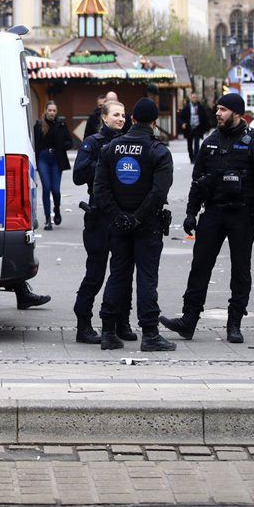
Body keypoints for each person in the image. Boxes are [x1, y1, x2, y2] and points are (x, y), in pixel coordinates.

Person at [160, 92, 254, 344]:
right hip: (213, 212)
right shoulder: (211, 142)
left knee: (240, 270)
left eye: (223, 110)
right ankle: (188, 320)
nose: (218, 113)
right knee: (200, 266)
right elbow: (198, 182)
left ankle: (234, 323)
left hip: (242, 214)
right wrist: (191, 212)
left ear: (237, 113)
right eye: (218, 109)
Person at [92, 97, 176, 352]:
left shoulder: (111, 148)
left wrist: (119, 216)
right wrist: (137, 217)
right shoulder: (158, 151)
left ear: (133, 119)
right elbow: (158, 193)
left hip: (118, 225)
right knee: (147, 278)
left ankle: (108, 332)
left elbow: (100, 189)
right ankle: (150, 334)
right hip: (146, 225)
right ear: (154, 122)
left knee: (117, 275)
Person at [71, 99, 128, 344]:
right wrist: (104, 161)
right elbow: (78, 176)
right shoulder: (93, 143)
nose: (121, 119)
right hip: (98, 217)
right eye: (116, 114)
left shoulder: (127, 144)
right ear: (104, 118)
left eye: (124, 115)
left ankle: (120, 322)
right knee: (95, 273)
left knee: (122, 273)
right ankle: (83, 324)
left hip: (119, 215)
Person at [33, 100, 74, 230]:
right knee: (46, 188)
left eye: (54, 111)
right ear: (45, 111)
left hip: (56, 159)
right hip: (43, 158)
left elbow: (70, 142)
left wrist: (62, 147)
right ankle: (47, 220)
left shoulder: (61, 124)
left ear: (56, 112)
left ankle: (57, 210)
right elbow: (36, 145)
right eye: (49, 110)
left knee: (55, 190)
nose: (51, 113)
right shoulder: (39, 125)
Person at [177, 92, 211, 160]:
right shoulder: (187, 107)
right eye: (193, 97)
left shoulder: (200, 107)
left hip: (197, 128)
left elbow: (205, 118)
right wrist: (182, 123)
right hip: (189, 128)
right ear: (190, 98)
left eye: (195, 97)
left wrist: (207, 128)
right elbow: (180, 117)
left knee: (196, 143)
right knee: (189, 144)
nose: (194, 99)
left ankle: (196, 158)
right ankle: (191, 157)